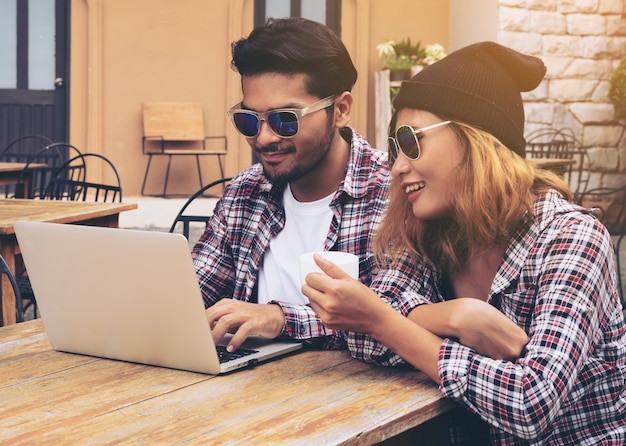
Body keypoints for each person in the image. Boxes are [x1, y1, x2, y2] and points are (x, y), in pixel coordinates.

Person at [302, 41, 626, 444]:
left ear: (477, 140)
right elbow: (361, 336)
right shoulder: (431, 229)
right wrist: (457, 316)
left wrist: (383, 321)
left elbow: (530, 402)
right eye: (395, 147)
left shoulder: (570, 237)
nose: (398, 165)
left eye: (411, 140)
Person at [192, 17, 389, 354]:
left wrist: (279, 318)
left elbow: (398, 319)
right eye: (249, 120)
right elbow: (195, 291)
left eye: (286, 119)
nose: (264, 138)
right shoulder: (245, 191)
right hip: (249, 393)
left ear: (340, 110)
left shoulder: (392, 192)